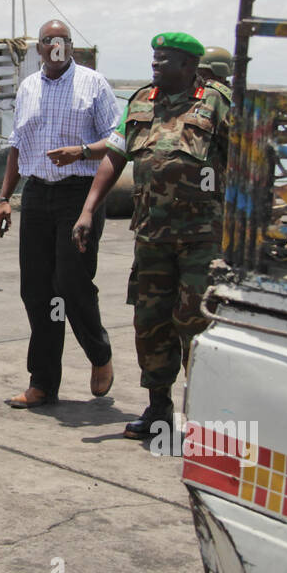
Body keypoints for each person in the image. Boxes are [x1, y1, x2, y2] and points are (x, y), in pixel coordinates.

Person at [74, 32, 232, 440]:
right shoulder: (142, 100)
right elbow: (116, 154)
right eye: (154, 59)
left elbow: (246, 164)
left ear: (189, 66)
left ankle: (206, 417)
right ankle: (158, 409)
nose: (155, 66)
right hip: (150, 238)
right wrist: (89, 210)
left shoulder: (216, 102)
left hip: (203, 239)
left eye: (165, 60)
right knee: (150, 324)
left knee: (196, 324)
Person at [0, 19, 121, 410]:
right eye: (48, 40)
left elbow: (118, 143)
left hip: (78, 194)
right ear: (38, 49)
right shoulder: (28, 87)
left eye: (62, 40)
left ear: (71, 46)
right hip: (36, 194)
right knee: (37, 290)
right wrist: (4, 197)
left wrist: (81, 151)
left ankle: (99, 354)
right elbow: (16, 145)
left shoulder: (93, 84)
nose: (55, 46)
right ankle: (43, 383)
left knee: (70, 281)